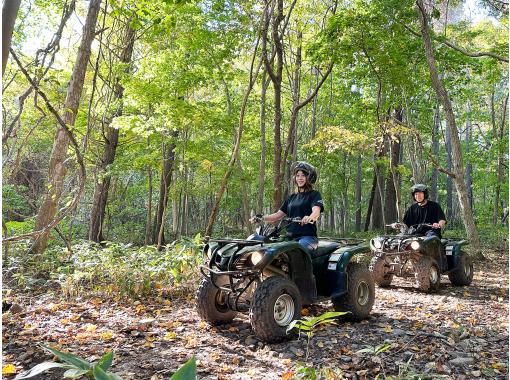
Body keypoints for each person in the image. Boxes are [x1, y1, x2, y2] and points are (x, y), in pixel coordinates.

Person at [251, 161, 324, 250]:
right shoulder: (291, 197)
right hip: (289, 237)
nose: (300, 178)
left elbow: (316, 212)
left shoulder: (314, 195)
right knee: (264, 245)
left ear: (310, 178)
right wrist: (261, 218)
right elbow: (277, 215)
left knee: (298, 250)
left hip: (307, 237)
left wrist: (309, 218)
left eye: (303, 175)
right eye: (297, 175)